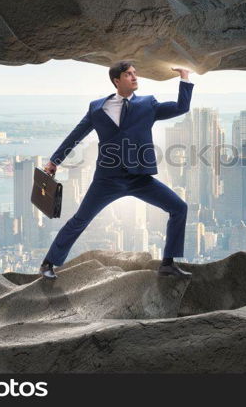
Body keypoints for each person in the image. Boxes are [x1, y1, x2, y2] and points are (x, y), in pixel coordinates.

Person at [39, 61, 195, 280]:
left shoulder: (148, 104)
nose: (134, 77)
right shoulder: (97, 108)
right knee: (80, 220)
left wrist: (184, 77)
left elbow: (181, 107)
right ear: (116, 80)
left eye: (135, 73)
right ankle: (48, 263)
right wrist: (55, 161)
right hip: (107, 179)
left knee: (179, 208)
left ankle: (168, 264)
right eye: (129, 74)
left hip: (140, 177)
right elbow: (76, 135)